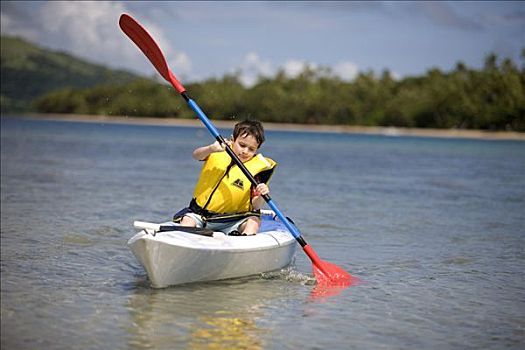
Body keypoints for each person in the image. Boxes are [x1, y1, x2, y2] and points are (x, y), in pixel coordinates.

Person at [173, 120, 277, 236]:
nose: (245, 151)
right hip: (201, 215)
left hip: (233, 219)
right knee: (187, 220)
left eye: (251, 149)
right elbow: (196, 155)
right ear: (232, 140)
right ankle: (183, 239)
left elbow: (256, 205)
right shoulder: (217, 151)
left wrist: (262, 195)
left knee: (253, 221)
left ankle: (243, 240)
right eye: (242, 145)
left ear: (257, 149)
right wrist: (211, 148)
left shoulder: (255, 171)